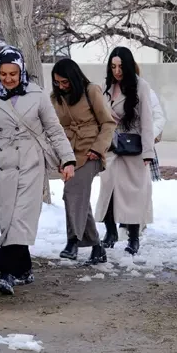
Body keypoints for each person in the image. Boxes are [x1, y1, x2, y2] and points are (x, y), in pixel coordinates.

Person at [0, 46, 76, 294]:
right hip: (1, 165)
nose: (8, 79)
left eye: (13, 74)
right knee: (8, 219)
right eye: (3, 74)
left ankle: (5, 273)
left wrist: (68, 160)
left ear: (21, 72)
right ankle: (24, 268)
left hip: (31, 163)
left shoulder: (37, 95)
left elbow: (54, 130)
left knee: (22, 218)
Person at [50, 58, 117, 263]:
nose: (61, 86)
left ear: (74, 78)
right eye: (57, 82)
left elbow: (108, 123)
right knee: (78, 197)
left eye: (65, 82)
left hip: (91, 152)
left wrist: (98, 149)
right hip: (69, 154)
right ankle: (97, 248)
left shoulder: (91, 91)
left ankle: (73, 241)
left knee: (72, 192)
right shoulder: (55, 98)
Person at [94, 47, 155, 255]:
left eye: (120, 66)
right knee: (108, 191)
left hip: (132, 147)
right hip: (110, 147)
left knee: (133, 194)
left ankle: (133, 237)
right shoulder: (105, 86)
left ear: (128, 66)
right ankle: (110, 232)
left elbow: (147, 120)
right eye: (113, 66)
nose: (117, 71)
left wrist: (148, 152)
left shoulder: (141, 86)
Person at [149, 89, 166, 182]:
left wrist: (147, 137)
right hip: (117, 147)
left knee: (145, 186)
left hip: (143, 147)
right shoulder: (109, 89)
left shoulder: (146, 90)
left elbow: (159, 119)